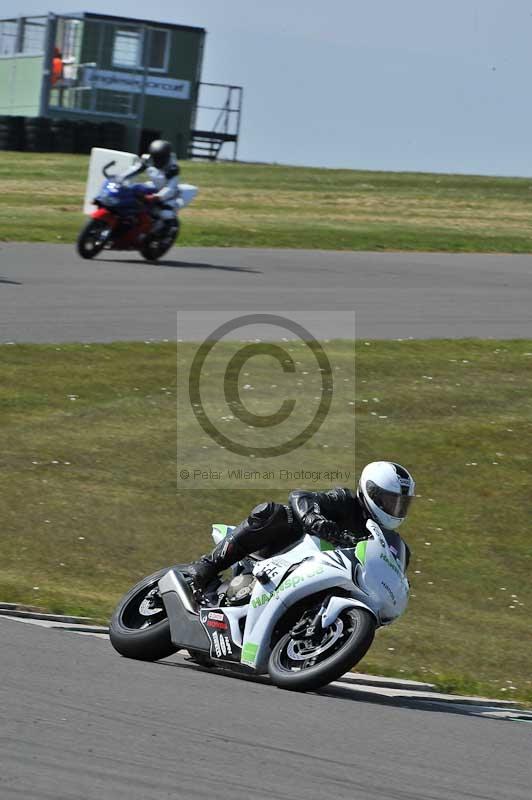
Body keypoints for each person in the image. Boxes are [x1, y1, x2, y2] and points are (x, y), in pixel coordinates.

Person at [188, 461, 415, 591]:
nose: (394, 509)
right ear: (370, 491)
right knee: (274, 513)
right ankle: (207, 565)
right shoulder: (346, 502)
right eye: (388, 501)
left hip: (329, 581)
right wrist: (314, 519)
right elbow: (301, 496)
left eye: (400, 504)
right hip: (287, 555)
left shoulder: (389, 543)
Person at [138, 140, 181, 237]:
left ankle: (170, 229)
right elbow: (135, 169)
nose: (157, 160)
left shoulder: (172, 168)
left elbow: (170, 187)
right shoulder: (147, 159)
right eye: (155, 157)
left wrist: (157, 197)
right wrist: (120, 178)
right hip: (153, 186)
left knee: (165, 213)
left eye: (160, 158)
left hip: (168, 194)